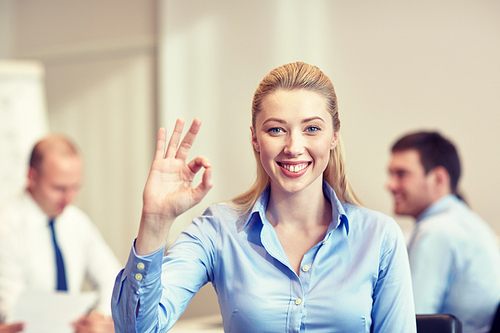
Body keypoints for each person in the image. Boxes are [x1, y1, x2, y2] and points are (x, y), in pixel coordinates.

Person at [112, 62, 416, 332]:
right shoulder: (218, 229)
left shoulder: (379, 236)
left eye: (311, 128)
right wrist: (154, 222)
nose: (293, 146)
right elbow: (137, 329)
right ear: (255, 139)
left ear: (334, 136)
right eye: (276, 130)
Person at [0, 135, 121, 333]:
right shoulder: (6, 227)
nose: (69, 198)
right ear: (31, 177)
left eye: (75, 187)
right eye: (59, 188)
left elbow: (113, 277)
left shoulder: (76, 221)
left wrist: (99, 316)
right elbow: (11, 311)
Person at [387, 131, 500, 333]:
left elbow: (411, 322)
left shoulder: (436, 232)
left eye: (401, 174)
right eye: (391, 174)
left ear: (438, 179)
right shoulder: (466, 221)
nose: (390, 185)